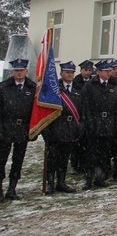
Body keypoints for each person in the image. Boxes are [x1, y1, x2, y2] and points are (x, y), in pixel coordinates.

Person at [42, 61, 84, 194]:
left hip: (71, 128)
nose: (70, 75)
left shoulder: (78, 90)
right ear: (61, 73)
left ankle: (61, 182)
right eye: (67, 72)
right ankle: (50, 183)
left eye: (72, 72)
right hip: (56, 128)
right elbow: (46, 110)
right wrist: (47, 132)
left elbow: (82, 111)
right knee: (52, 158)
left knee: (64, 158)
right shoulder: (54, 89)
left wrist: (80, 128)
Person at [80, 60, 117, 190]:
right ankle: (89, 178)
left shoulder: (114, 86)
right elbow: (85, 106)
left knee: (105, 153)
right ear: (98, 72)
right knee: (92, 153)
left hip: (109, 122)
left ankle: (101, 177)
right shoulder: (90, 86)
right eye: (106, 71)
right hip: (95, 122)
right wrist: (90, 122)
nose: (109, 73)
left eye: (110, 71)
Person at [0, 59, 36, 200]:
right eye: (16, 70)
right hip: (6, 128)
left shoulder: (31, 88)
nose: (19, 73)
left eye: (21, 70)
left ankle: (12, 188)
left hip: (22, 129)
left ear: (26, 71)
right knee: (2, 160)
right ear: (12, 71)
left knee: (18, 160)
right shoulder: (3, 87)